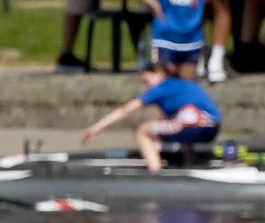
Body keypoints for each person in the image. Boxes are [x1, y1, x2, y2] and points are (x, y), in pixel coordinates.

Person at [80, 64, 223, 172]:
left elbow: (126, 109)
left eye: (147, 81)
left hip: (194, 122)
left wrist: (95, 129)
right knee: (175, 124)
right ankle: (190, 160)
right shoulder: (185, 85)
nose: (147, 87)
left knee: (143, 131)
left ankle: (155, 171)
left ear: (160, 74)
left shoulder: (162, 88)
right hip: (213, 126)